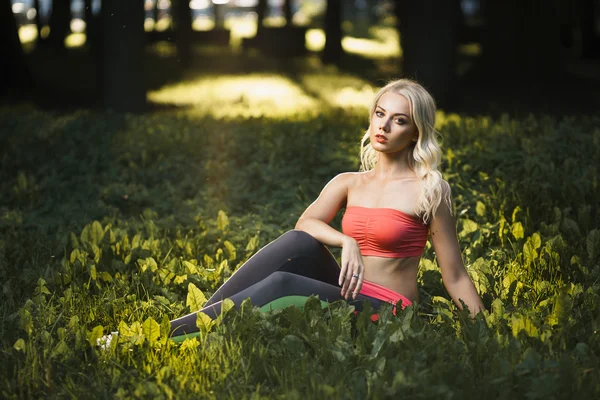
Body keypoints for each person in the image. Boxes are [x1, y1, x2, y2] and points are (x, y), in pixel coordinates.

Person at [168, 78, 485, 340]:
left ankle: (164, 336)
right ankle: (196, 324)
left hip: (387, 311)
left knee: (283, 283)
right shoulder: (349, 182)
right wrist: (346, 242)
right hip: (346, 291)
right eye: (379, 114)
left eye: (399, 120)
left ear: (415, 132)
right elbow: (305, 224)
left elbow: (455, 275)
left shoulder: (429, 190)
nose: (384, 126)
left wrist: (484, 335)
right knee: (298, 242)